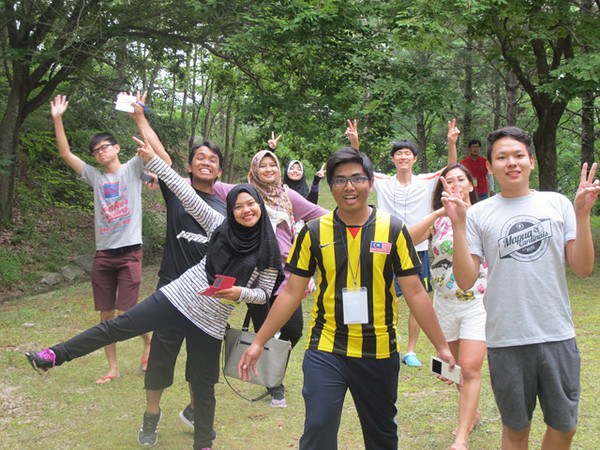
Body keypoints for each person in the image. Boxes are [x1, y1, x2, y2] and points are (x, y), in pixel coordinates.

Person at [25, 137, 282, 450]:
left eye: (251, 204)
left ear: (260, 206)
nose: (245, 210)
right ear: (231, 210)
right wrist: (153, 160)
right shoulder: (219, 225)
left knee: (203, 386)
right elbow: (186, 194)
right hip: (176, 299)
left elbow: (265, 294)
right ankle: (54, 355)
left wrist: (240, 291)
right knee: (117, 327)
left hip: (211, 322)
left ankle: (204, 443)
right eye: (238, 205)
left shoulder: (268, 251)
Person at [238, 146, 456, 449]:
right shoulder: (313, 233)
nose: (349, 187)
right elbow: (291, 291)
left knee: (381, 433)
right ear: (331, 186)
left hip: (379, 349)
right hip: (327, 346)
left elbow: (416, 292)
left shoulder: (393, 229)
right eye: (340, 180)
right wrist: (259, 342)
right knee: (318, 426)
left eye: (357, 178)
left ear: (369, 182)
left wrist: (442, 347)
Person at [443, 126, 599, 449]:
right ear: (489, 166)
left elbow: (582, 268)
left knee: (565, 427)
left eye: (518, 155)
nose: (511, 162)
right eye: (502, 157)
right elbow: (466, 279)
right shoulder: (479, 214)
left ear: (530, 161)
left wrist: (583, 214)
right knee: (516, 431)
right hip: (507, 340)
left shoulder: (557, 204)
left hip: (557, 334)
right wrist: (458, 225)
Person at [127, 95, 227, 445]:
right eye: (200, 157)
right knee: (160, 361)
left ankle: (201, 421)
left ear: (218, 170)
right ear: (189, 166)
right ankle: (151, 417)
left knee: (203, 371)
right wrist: (140, 117)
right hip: (170, 293)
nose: (206, 162)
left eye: (213, 160)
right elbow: (160, 155)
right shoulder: (178, 192)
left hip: (208, 302)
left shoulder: (226, 208)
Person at [213, 146, 328, 407]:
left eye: (272, 165)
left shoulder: (288, 196)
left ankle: (271, 366)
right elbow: (207, 185)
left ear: (279, 168)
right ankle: (275, 384)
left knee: (293, 329)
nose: (268, 169)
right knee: (263, 328)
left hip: (287, 273)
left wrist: (355, 219)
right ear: (255, 168)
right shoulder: (242, 192)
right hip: (255, 274)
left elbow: (320, 214)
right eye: (262, 165)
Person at [49, 94, 151, 384]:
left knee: (127, 312)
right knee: (107, 315)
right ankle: (113, 368)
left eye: (103, 148)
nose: (99, 153)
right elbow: (66, 154)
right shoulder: (95, 176)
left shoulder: (133, 168)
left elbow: (150, 149)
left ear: (117, 148)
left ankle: (148, 340)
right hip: (104, 254)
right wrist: (58, 119)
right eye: (94, 151)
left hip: (130, 251)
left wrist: (139, 118)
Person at [346, 119, 457, 367]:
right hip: (384, 246)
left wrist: (451, 143)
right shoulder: (383, 182)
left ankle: (411, 350)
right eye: (398, 154)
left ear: (414, 159)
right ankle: (391, 341)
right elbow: (359, 169)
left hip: (417, 248)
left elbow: (451, 168)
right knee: (387, 296)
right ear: (393, 159)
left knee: (418, 298)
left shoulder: (427, 181)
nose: (403, 157)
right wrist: (355, 143)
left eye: (407, 153)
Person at [408, 164, 486, 450]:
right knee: (453, 368)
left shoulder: (482, 215)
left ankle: (461, 438)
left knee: (471, 368)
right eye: (448, 181)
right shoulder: (439, 220)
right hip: (445, 305)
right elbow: (406, 240)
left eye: (460, 180)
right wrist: (442, 212)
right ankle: (473, 413)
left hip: (477, 302)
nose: (454, 185)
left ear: (471, 185)